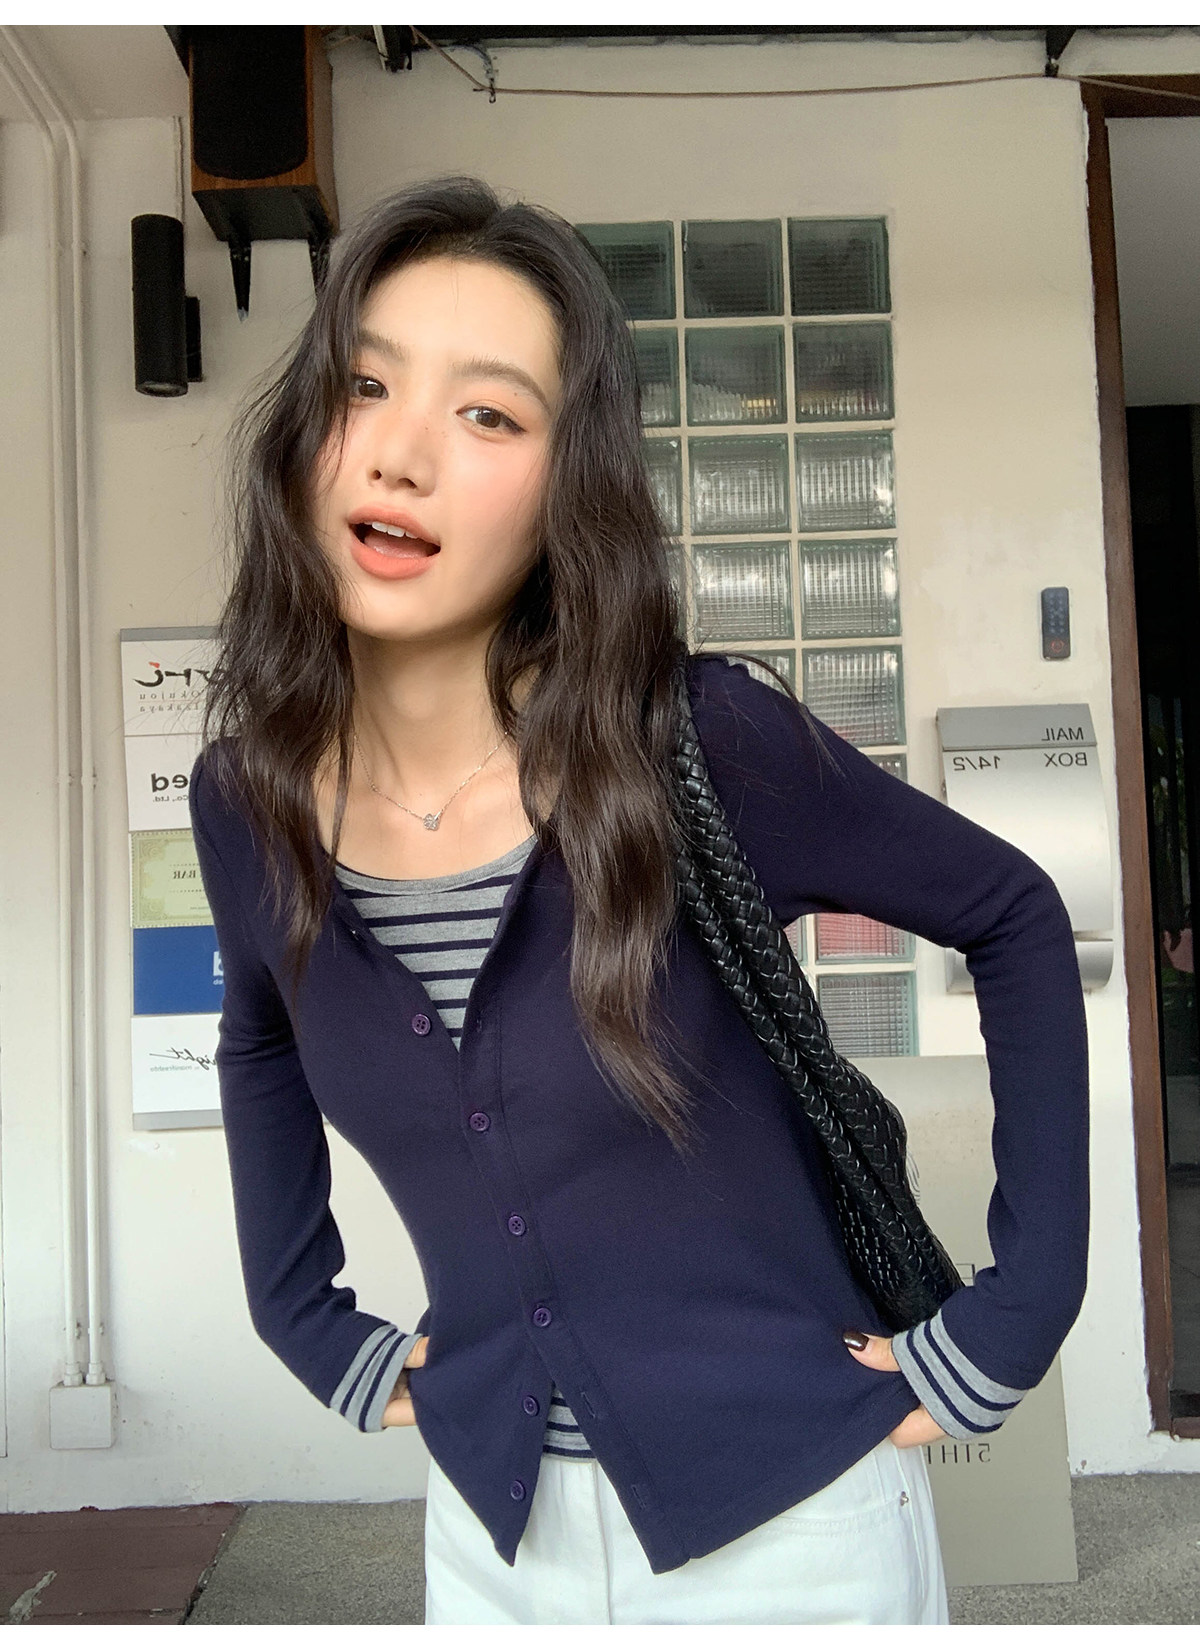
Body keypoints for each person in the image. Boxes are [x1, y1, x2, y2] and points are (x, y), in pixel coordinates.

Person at [189, 176, 1090, 1626]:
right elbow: (259, 1037)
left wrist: (1018, 1310)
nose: (403, 454)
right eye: (366, 383)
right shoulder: (246, 802)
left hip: (795, 1530)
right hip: (493, 1548)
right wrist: (301, 1316)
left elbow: (1016, 913)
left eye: (490, 415)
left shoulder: (701, 744)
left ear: (568, 489)